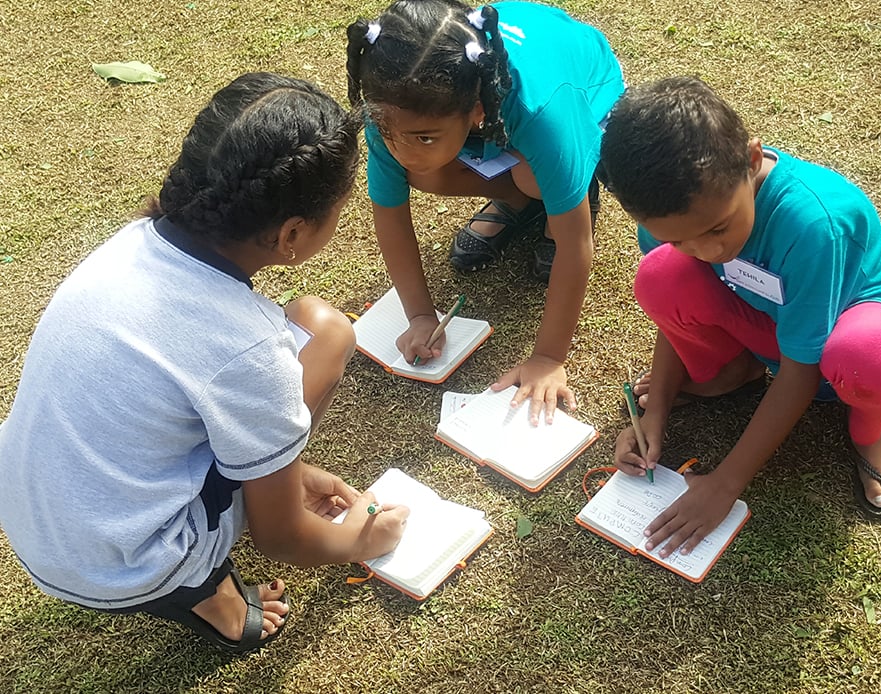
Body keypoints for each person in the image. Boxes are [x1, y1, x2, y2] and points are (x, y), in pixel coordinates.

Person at [0, 73, 409, 654]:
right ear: (292, 232)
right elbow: (282, 537)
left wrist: (284, 470)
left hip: (32, 517)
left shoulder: (128, 245)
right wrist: (362, 540)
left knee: (319, 326)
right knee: (326, 333)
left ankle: (261, 473)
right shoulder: (248, 349)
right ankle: (207, 593)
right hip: (119, 564)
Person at [601, 77, 881, 557]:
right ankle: (734, 373)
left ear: (750, 159)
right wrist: (654, 411)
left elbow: (803, 368)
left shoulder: (814, 224)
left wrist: (725, 484)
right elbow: (672, 295)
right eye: (679, 239)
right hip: (774, 326)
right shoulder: (670, 218)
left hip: (854, 327)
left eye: (719, 228)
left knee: (871, 356)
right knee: (660, 274)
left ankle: (872, 427)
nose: (707, 249)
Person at [345, 0, 624, 424]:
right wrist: (420, 315)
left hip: (585, 92)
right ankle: (521, 201)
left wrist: (548, 358)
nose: (400, 149)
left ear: (477, 111)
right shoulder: (391, 108)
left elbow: (576, 243)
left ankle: (561, 193)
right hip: (497, 114)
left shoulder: (542, 112)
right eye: (389, 133)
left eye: (424, 137)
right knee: (425, 172)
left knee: (537, 179)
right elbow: (389, 214)